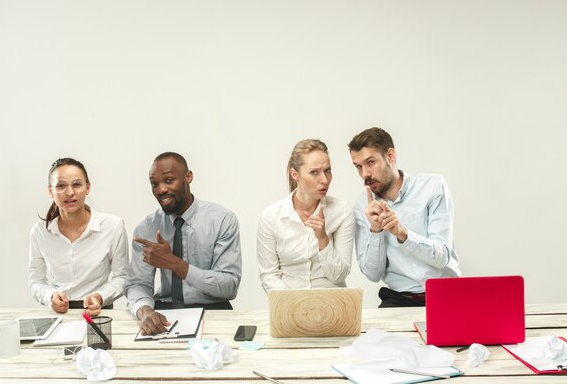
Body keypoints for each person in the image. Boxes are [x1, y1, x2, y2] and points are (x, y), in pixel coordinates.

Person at [125, 152, 242, 335]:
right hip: (165, 312)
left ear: (188, 177)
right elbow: (137, 284)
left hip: (214, 310)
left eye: (169, 180)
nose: (161, 189)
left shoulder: (222, 220)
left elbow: (229, 286)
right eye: (154, 184)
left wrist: (174, 263)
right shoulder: (146, 228)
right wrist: (145, 311)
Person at [348, 127, 460, 308]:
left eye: (370, 162)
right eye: (358, 167)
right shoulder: (363, 205)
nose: (364, 174)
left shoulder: (432, 187)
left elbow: (442, 256)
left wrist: (403, 233)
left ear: (391, 156)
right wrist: (376, 230)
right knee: (370, 337)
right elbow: (373, 274)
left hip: (446, 294)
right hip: (399, 299)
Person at [28, 158, 129, 316]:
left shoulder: (113, 226)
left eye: (76, 184)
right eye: (61, 186)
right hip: (59, 314)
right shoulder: (40, 231)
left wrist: (100, 297)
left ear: (87, 188)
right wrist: (51, 296)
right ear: (50, 191)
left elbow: (122, 277)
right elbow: (36, 281)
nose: (69, 192)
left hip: (99, 313)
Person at [257, 139, 355, 292]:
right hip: (288, 306)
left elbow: (339, 276)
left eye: (327, 170)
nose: (324, 179)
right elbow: (269, 275)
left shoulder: (342, 211)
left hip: (332, 306)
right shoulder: (272, 216)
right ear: (295, 174)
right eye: (314, 172)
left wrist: (323, 239)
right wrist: (295, 305)